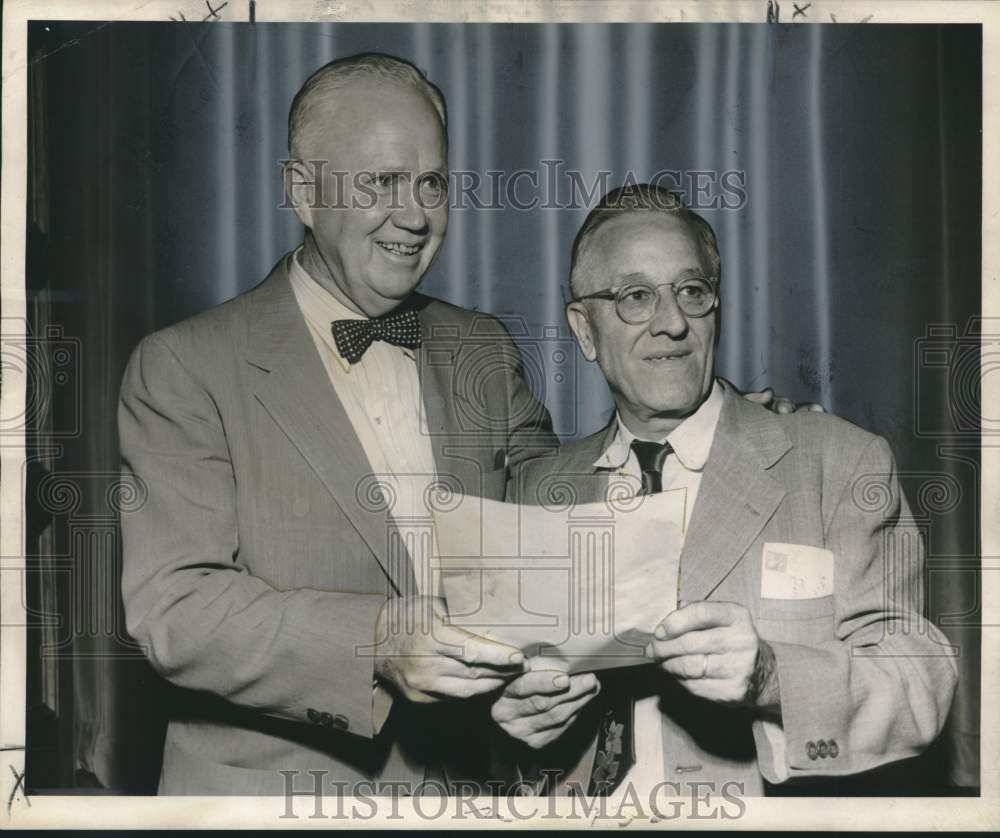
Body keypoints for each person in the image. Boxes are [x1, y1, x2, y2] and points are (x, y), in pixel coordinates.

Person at [119, 53, 808, 796]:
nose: (415, 216)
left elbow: (566, 512)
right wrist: (378, 640)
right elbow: (176, 608)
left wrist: (714, 422)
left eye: (432, 184)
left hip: (472, 793)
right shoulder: (184, 367)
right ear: (301, 190)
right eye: (381, 182)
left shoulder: (479, 345)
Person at [494, 183, 959, 798]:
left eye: (692, 291)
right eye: (635, 296)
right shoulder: (534, 490)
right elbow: (496, 711)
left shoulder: (836, 462)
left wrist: (773, 676)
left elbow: (919, 681)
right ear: (584, 331)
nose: (672, 323)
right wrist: (509, 720)